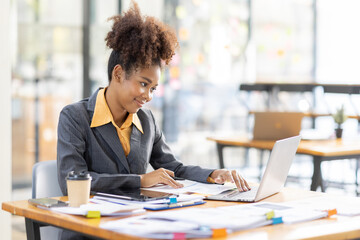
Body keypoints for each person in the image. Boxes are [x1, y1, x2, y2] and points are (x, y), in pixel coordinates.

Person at [57, 1, 250, 199]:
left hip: (137, 221)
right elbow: (70, 181)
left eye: (153, 88)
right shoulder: (75, 117)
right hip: (89, 225)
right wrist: (140, 181)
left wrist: (212, 175)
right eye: (143, 84)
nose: (148, 96)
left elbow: (173, 169)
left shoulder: (146, 120)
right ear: (118, 74)